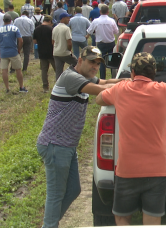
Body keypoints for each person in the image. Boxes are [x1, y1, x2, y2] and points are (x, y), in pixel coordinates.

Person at [95, 52, 166, 225]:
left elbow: (99, 99)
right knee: (152, 218)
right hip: (157, 169)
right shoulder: (164, 90)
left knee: (122, 216)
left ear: (132, 72)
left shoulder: (120, 89)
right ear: (154, 72)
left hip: (127, 168)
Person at [36, 46, 124, 228]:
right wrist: (131, 87)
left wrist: (128, 80)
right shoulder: (71, 78)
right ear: (80, 60)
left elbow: (106, 81)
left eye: (98, 63)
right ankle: (50, 224)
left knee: (74, 190)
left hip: (66, 146)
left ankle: (49, 224)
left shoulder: (84, 77)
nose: (95, 66)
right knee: (55, 194)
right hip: (55, 144)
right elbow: (101, 89)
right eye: (92, 61)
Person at [0, 14, 28, 93]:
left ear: (3, 20)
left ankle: (7, 88)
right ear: (11, 20)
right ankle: (21, 87)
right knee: (18, 69)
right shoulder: (14, 28)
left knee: (4, 70)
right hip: (13, 51)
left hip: (3, 52)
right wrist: (19, 48)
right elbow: (20, 40)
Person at [86, 4, 118, 80]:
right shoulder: (111, 21)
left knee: (101, 61)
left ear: (100, 12)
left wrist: (87, 36)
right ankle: (113, 77)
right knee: (111, 61)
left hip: (101, 43)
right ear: (108, 12)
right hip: (110, 42)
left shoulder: (96, 21)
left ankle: (102, 78)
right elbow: (116, 31)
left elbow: (89, 31)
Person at [33, 15, 56, 93]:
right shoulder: (51, 29)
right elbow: (54, 41)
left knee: (44, 70)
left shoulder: (37, 29)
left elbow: (35, 41)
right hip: (51, 52)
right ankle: (59, 86)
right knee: (57, 69)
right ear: (49, 21)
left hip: (41, 52)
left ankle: (45, 87)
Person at [52, 12, 78, 80]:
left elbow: (53, 41)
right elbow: (69, 42)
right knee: (78, 64)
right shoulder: (66, 28)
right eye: (68, 18)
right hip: (65, 52)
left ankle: (58, 85)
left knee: (58, 71)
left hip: (56, 53)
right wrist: (69, 50)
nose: (69, 19)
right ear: (63, 19)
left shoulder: (55, 28)